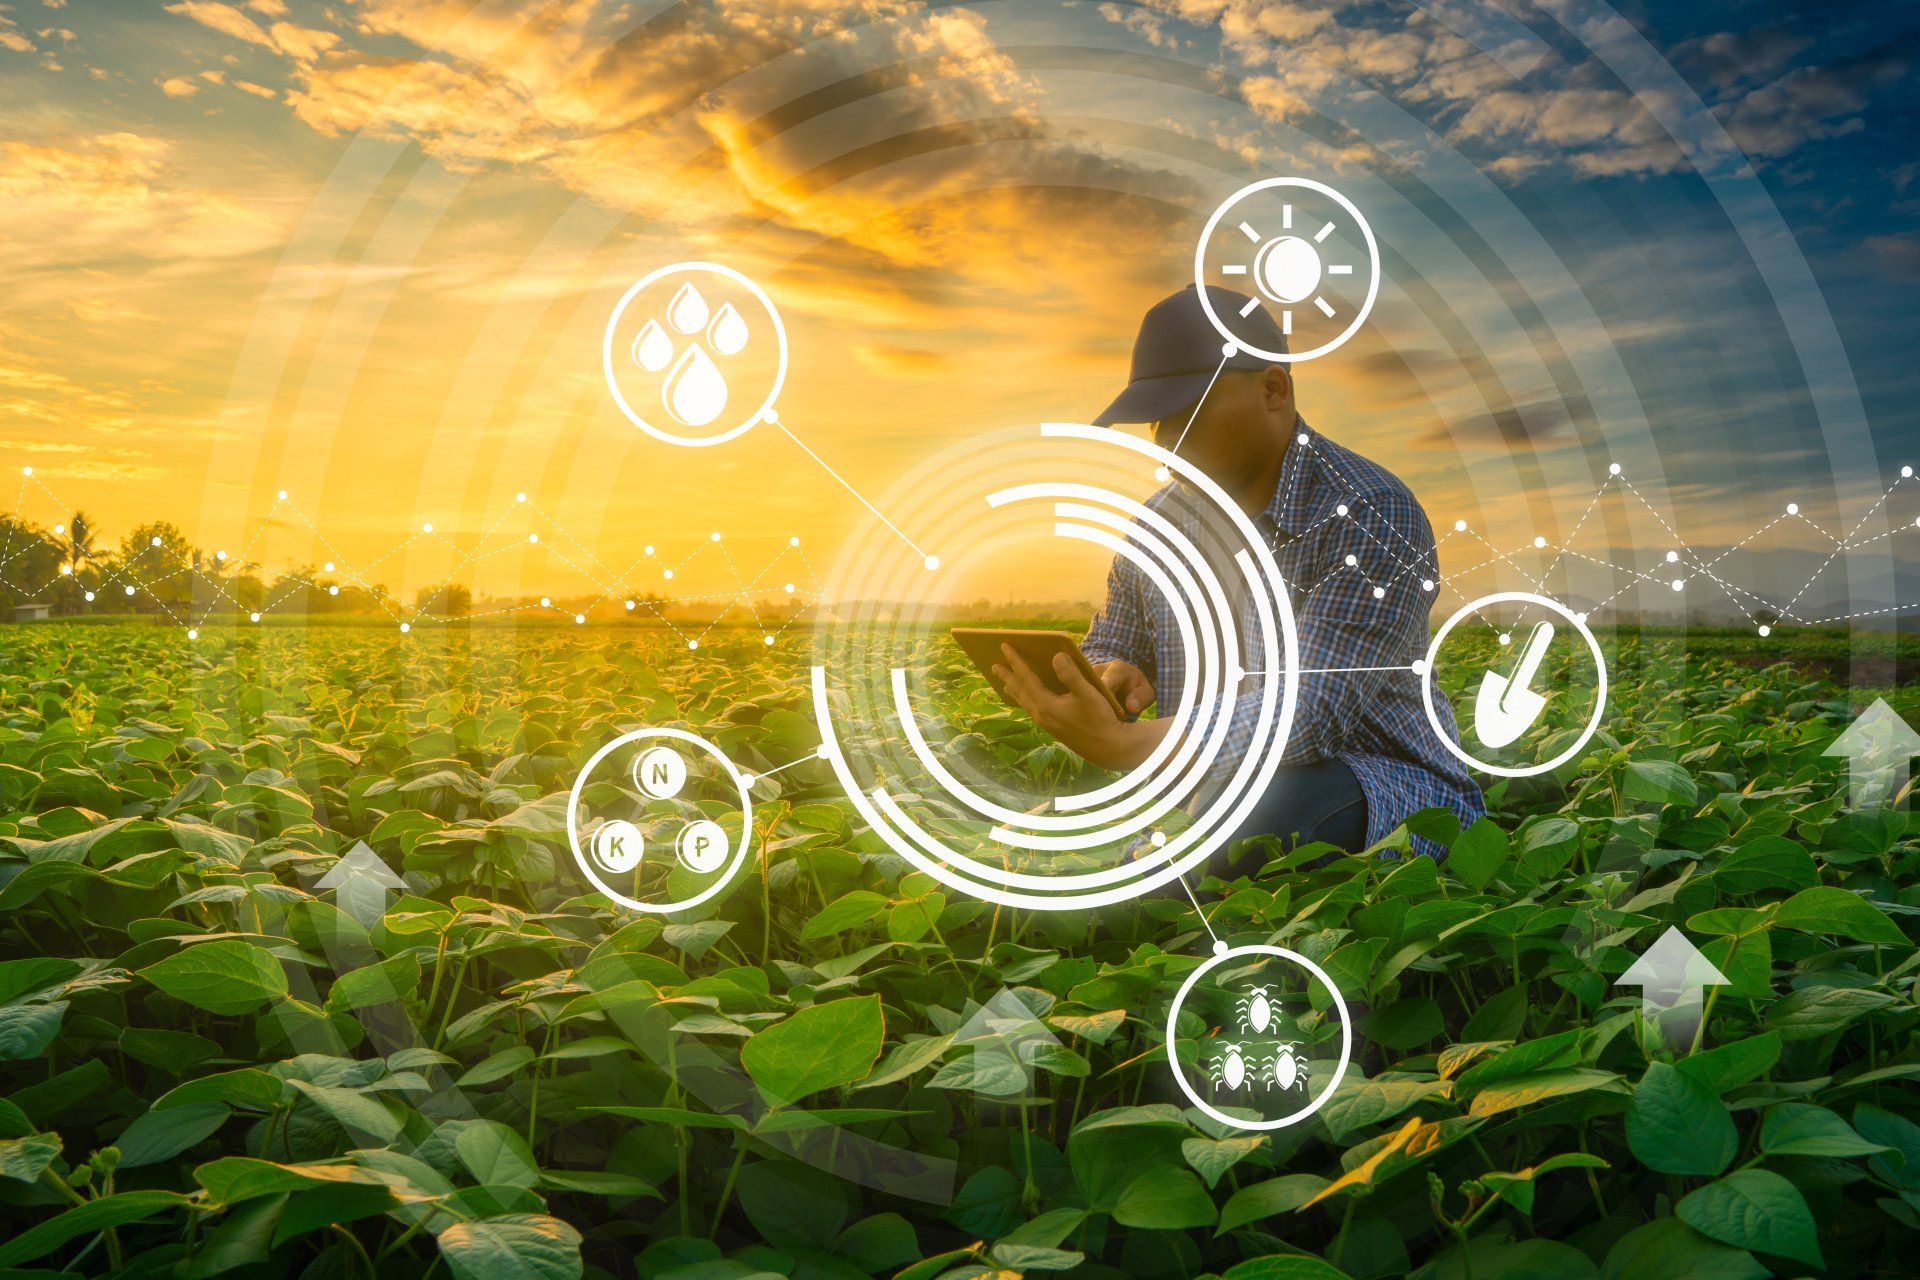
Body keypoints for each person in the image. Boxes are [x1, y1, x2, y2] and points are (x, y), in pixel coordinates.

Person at [992, 284, 1483, 859]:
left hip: (1378, 785)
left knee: (1259, 811)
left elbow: (1311, 712)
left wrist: (1131, 743)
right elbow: (1113, 640)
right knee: (1040, 842)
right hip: (1206, 790)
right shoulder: (1159, 523)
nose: (1167, 444)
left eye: (1187, 415)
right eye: (1156, 423)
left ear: (1274, 388)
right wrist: (1108, 675)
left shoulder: (1370, 510)